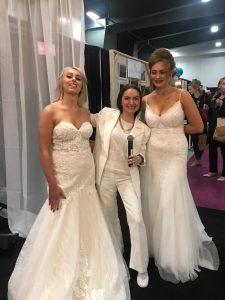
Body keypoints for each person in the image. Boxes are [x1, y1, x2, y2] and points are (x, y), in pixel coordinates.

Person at [8, 67, 131, 300]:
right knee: (59, 222)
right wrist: (52, 185)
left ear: (82, 85)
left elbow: (92, 142)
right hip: (62, 177)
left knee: (87, 221)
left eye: (78, 78)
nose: (74, 80)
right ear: (61, 81)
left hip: (85, 175)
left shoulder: (86, 114)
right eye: (69, 76)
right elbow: (44, 150)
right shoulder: (50, 111)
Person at [140, 48, 220, 284]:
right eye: (154, 72)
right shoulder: (145, 99)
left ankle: (174, 254)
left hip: (174, 154)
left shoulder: (182, 96)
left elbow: (197, 126)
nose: (157, 76)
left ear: (171, 72)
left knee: (170, 198)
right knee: (154, 198)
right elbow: (144, 128)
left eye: (162, 72)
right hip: (153, 154)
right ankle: (157, 246)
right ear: (149, 73)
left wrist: (173, 129)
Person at [91, 85, 150, 288]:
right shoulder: (107, 114)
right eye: (127, 98)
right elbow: (88, 119)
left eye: (135, 99)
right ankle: (116, 252)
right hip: (105, 173)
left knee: (136, 218)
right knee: (109, 216)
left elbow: (145, 153)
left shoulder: (144, 129)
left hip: (127, 177)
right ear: (120, 99)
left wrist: (141, 157)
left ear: (139, 102)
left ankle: (141, 266)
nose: (131, 102)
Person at [203, 77, 225, 181]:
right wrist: (208, 108)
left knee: (224, 150)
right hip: (213, 125)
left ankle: (224, 174)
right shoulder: (215, 95)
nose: (223, 85)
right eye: (222, 83)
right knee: (212, 148)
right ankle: (213, 170)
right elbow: (212, 111)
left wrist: (222, 106)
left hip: (223, 126)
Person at [188, 79, 210, 166]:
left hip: (203, 122)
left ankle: (198, 159)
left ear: (196, 88)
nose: (189, 91)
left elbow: (210, 107)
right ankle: (198, 159)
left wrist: (207, 108)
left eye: (190, 89)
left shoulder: (205, 96)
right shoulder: (190, 97)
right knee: (194, 141)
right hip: (193, 122)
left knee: (202, 143)